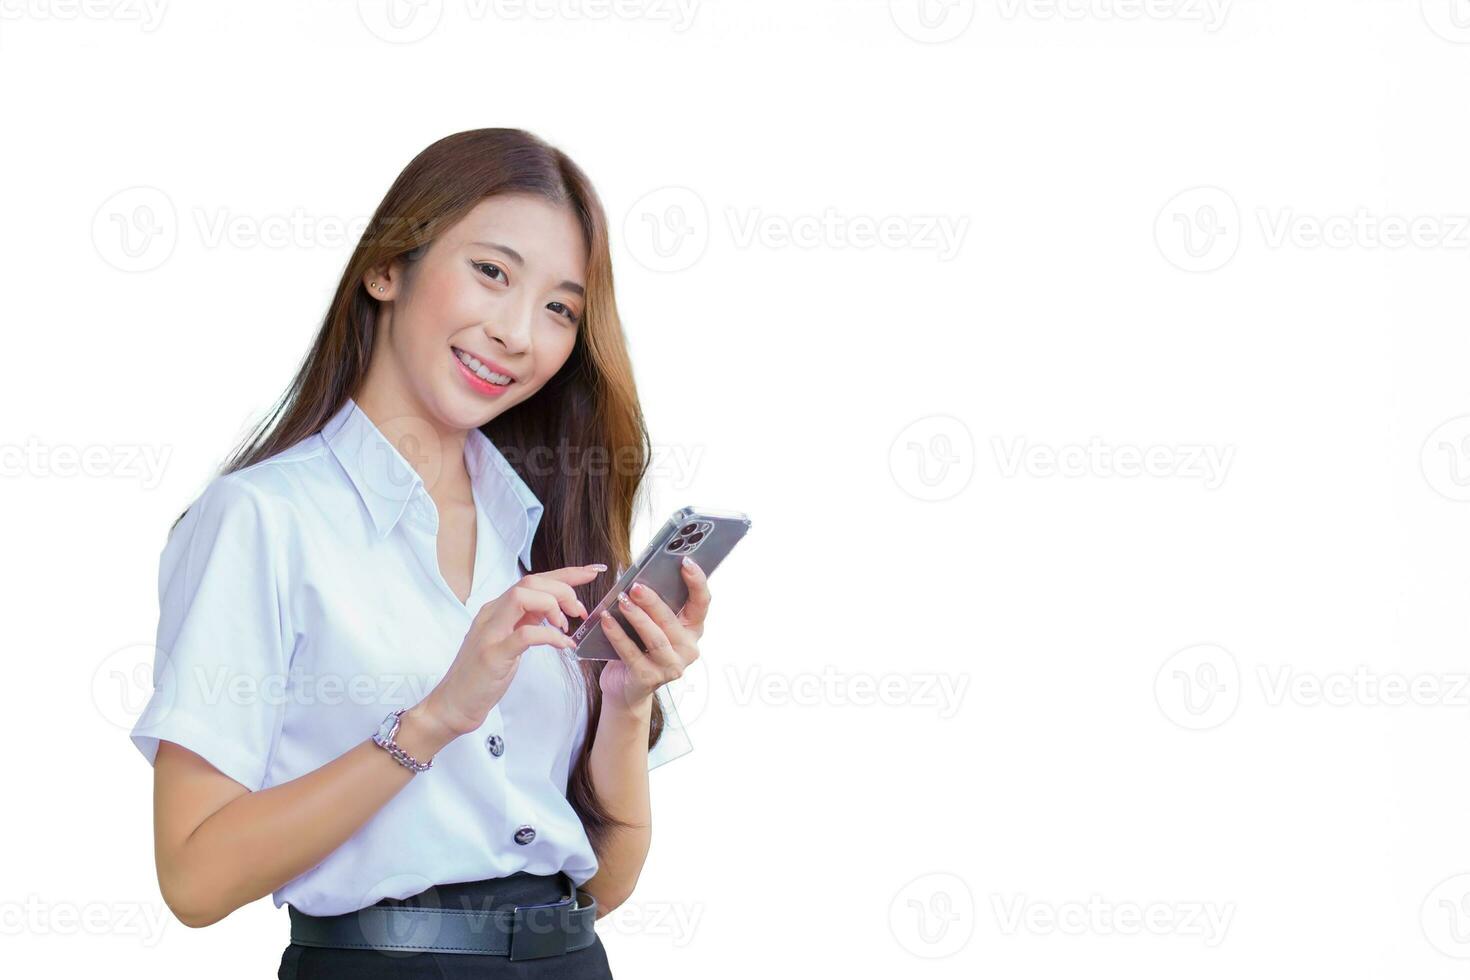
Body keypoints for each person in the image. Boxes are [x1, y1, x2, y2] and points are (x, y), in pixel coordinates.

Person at [127, 128, 711, 979]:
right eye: (492, 273)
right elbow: (193, 877)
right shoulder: (261, 519)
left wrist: (624, 703)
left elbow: (601, 885)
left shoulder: (549, 529)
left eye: (559, 308)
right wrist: (434, 719)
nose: (518, 332)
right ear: (386, 268)